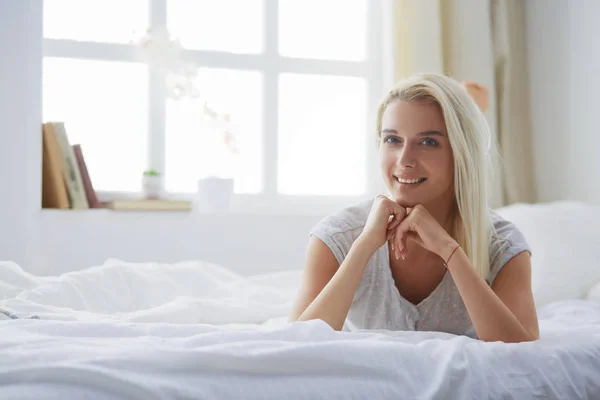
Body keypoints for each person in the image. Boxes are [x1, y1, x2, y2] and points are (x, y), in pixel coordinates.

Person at [288, 73, 539, 343]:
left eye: (428, 142)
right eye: (392, 140)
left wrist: (450, 251)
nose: (404, 160)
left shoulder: (502, 246)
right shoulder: (337, 236)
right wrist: (364, 246)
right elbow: (297, 344)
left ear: (462, 153)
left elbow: (522, 351)